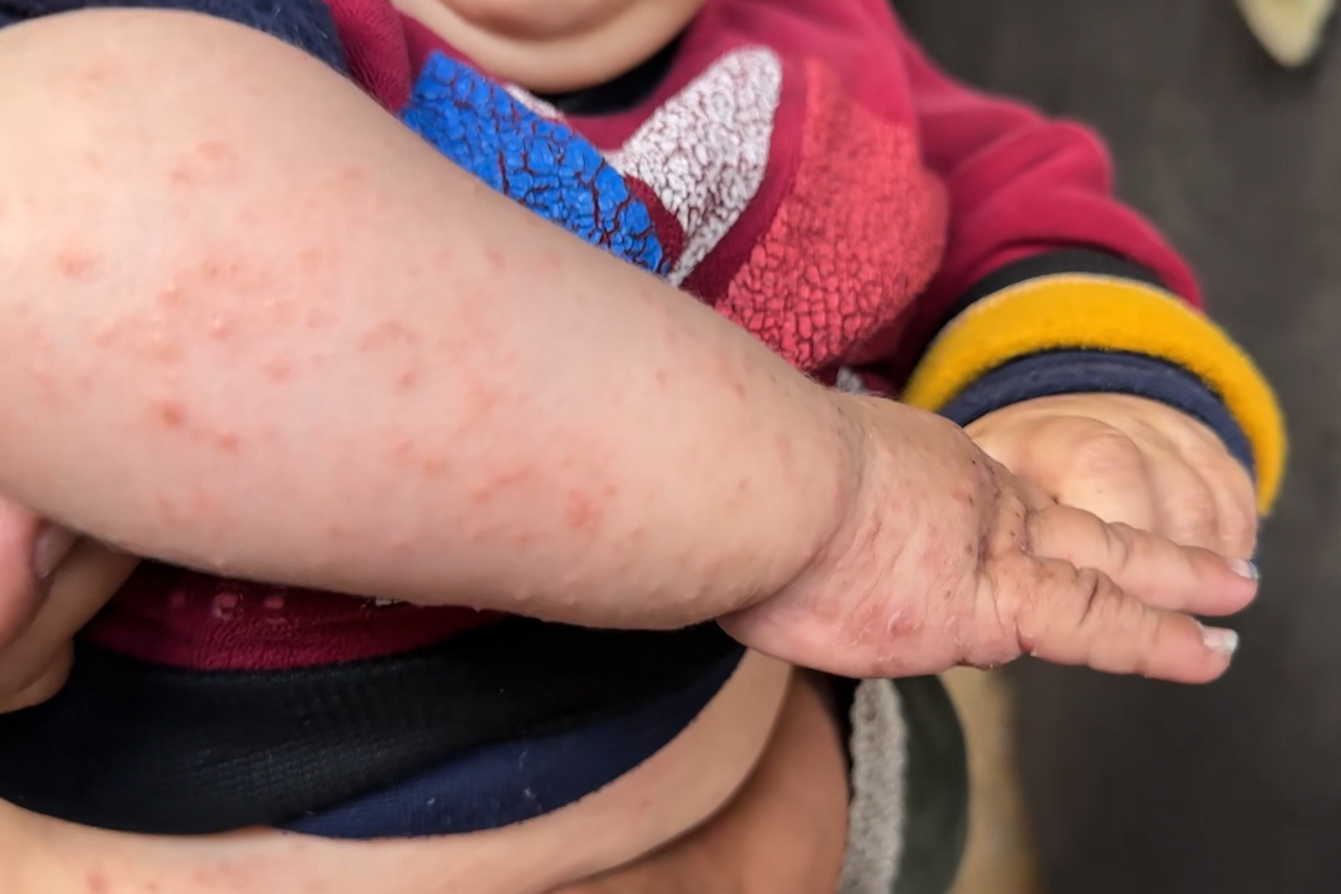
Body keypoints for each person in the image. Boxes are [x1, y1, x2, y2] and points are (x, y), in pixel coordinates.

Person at [0, 0, 1281, 891]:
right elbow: (79, 198)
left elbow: (1004, 195)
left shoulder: (829, 43)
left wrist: (1094, 385)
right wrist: (837, 510)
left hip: (752, 770)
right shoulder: (193, 40)